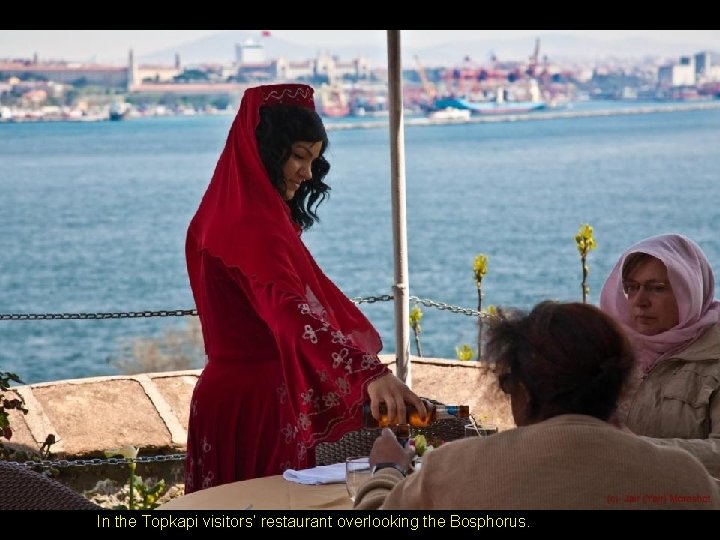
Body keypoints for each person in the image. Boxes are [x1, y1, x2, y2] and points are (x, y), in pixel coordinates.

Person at [184, 83, 425, 493]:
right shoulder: (252, 227)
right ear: (265, 150)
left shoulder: (216, 214)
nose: (308, 173)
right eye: (298, 156)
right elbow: (291, 316)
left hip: (227, 401)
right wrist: (369, 374)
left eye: (313, 160)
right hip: (259, 407)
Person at [354, 301, 720, 509]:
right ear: (620, 388)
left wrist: (386, 471)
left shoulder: (452, 471)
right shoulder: (684, 479)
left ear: (522, 391)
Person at [600, 233, 720, 478]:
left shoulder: (714, 358)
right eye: (631, 288)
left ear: (690, 291)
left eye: (657, 288)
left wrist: (638, 451)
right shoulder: (610, 353)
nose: (640, 301)